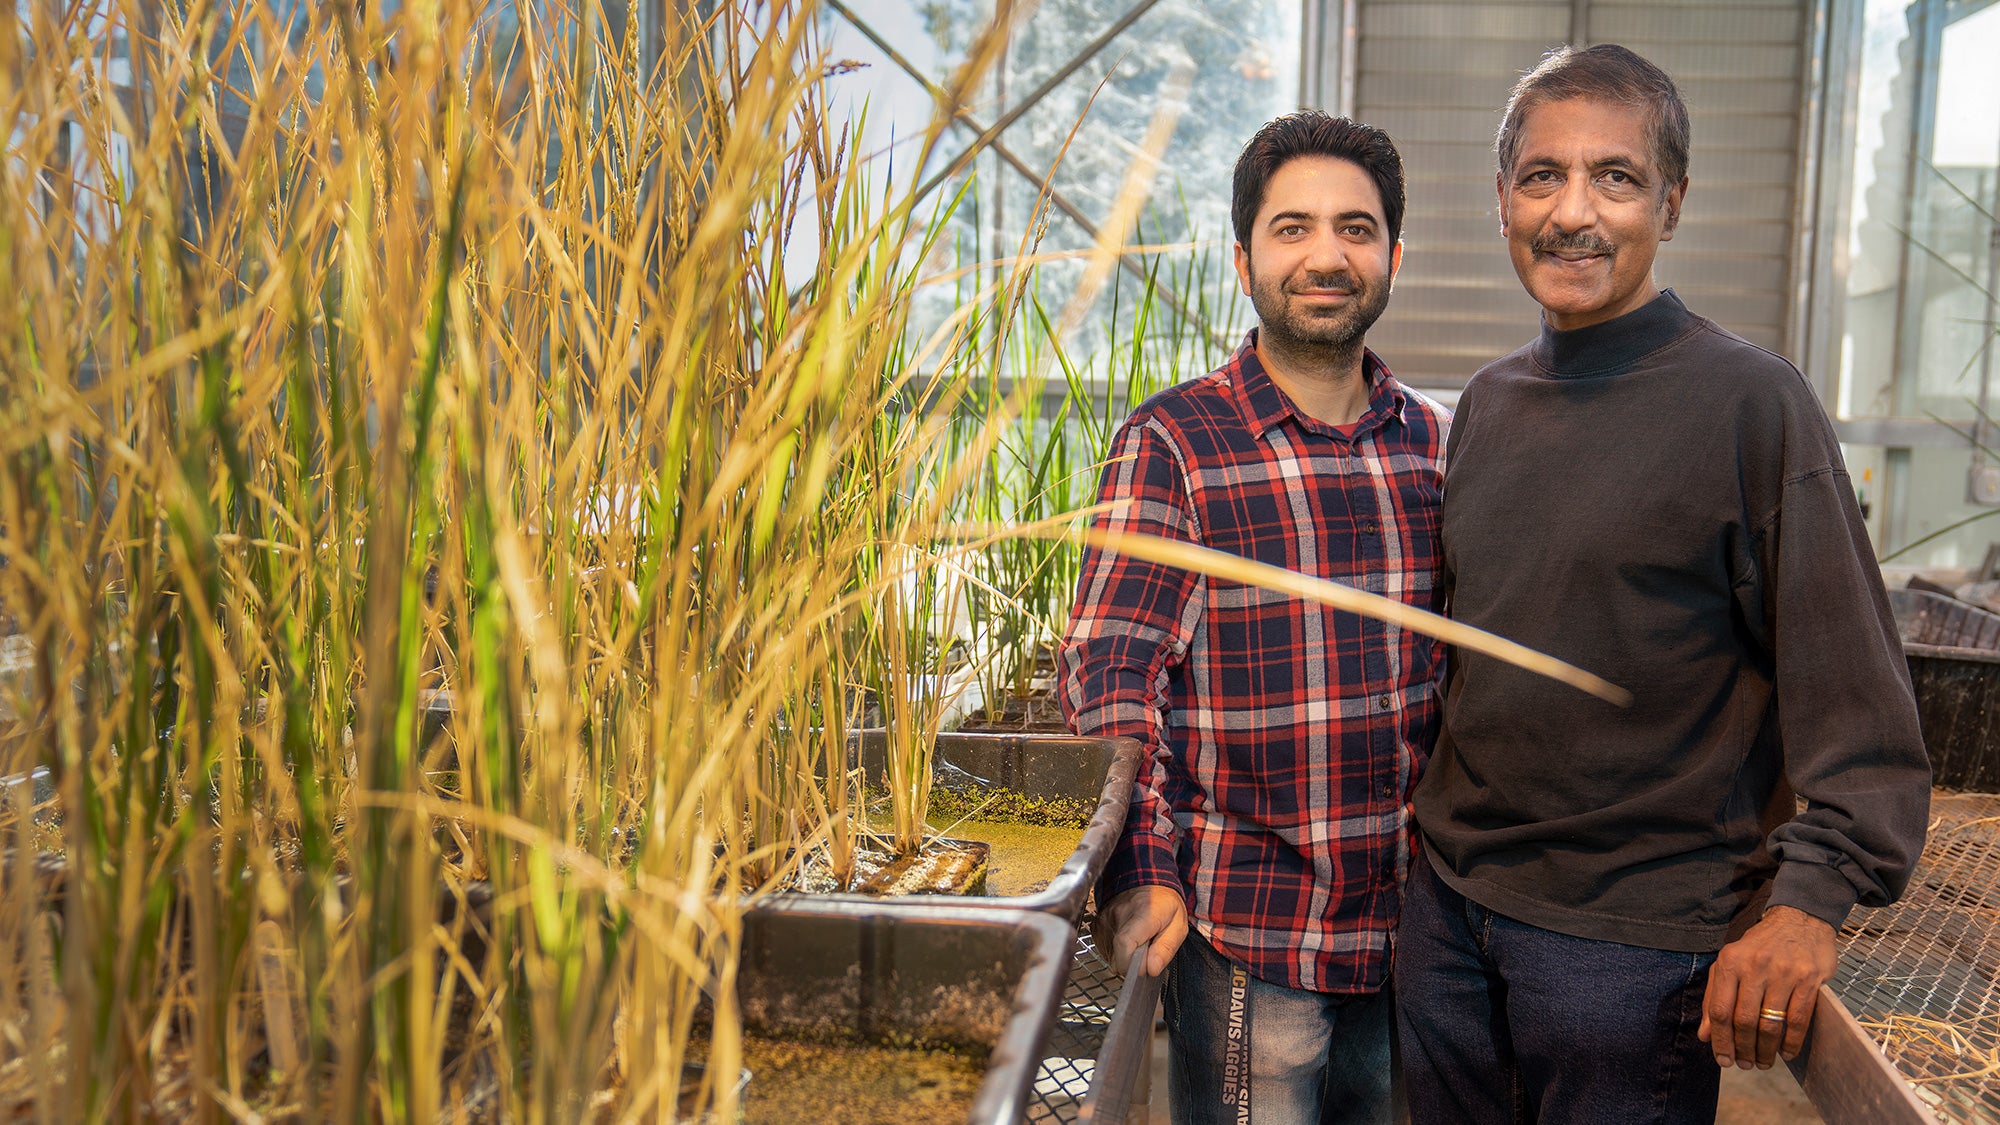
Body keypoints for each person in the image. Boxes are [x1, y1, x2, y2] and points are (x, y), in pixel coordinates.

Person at [1396, 43, 1932, 1124]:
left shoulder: (1751, 405)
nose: (1571, 213)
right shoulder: (1489, 405)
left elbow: (1858, 706)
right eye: (1541, 176)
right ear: (1500, 200)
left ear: (1671, 203)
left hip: (1626, 947)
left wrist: (1806, 905)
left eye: (1616, 177)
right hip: (1448, 911)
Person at [1058, 111, 1448, 1125]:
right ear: (1243, 260)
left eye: (1356, 230)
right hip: (1249, 937)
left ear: (1393, 256)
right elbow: (1112, 674)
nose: (1327, 255)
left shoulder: (1438, 449)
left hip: (1413, 942)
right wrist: (1136, 871)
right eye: (1292, 228)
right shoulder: (1174, 444)